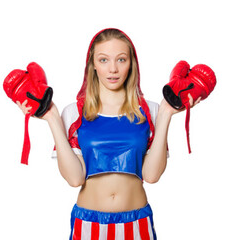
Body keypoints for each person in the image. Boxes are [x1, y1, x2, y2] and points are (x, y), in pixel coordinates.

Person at [17, 28, 199, 240]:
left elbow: (151, 176)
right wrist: (52, 118)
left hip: (137, 222)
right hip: (88, 223)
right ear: (93, 64)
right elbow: (75, 179)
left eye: (121, 60)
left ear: (132, 63)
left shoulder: (150, 111)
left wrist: (167, 112)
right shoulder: (74, 112)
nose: (113, 69)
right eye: (104, 60)